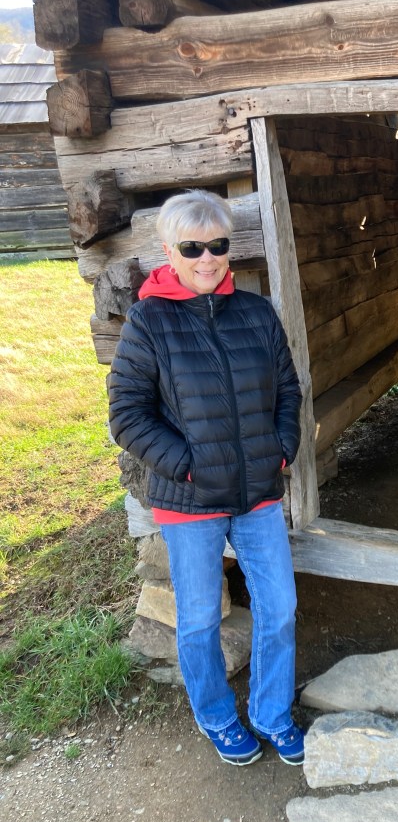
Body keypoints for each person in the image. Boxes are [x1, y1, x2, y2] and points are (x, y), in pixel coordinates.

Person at [109, 189, 304, 767]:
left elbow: (288, 392)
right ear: (169, 251)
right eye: (191, 247)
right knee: (197, 620)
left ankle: (272, 714)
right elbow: (127, 416)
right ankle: (217, 716)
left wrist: (281, 452)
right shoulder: (149, 321)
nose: (207, 258)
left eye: (217, 245)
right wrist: (189, 465)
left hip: (258, 492)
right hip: (189, 499)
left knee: (280, 607)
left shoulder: (256, 313)